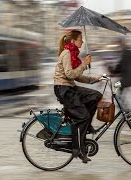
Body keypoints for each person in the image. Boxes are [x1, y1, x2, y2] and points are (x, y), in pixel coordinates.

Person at [54, 30, 102, 163]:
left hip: (70, 87)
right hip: (63, 89)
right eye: (81, 39)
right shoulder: (67, 53)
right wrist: (84, 64)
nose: (83, 41)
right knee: (82, 116)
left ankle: (86, 125)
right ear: (73, 41)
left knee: (95, 95)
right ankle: (77, 149)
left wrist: (94, 79)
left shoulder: (73, 54)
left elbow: (77, 76)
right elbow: (70, 74)